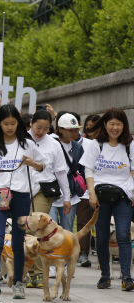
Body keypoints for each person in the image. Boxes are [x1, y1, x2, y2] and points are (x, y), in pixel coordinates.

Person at [0, 104, 46, 300]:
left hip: (21, 195)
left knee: (18, 241)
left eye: (13, 123)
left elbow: (42, 166)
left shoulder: (27, 143)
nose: (9, 127)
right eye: (6, 123)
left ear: (18, 123)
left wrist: (31, 163)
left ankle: (18, 282)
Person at [79, 108, 134, 291]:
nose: (115, 128)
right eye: (111, 124)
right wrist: (92, 193)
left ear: (124, 126)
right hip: (100, 197)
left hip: (123, 196)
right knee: (101, 238)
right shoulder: (96, 145)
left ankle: (127, 277)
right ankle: (105, 277)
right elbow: (88, 170)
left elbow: (133, 170)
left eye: (119, 124)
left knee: (124, 236)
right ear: (105, 125)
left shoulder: (129, 145)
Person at [24, 110, 70, 288]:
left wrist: (66, 196)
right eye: (38, 127)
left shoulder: (53, 143)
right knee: (25, 231)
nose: (41, 131)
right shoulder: (21, 140)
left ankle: (37, 272)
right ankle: (30, 271)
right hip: (22, 189)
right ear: (31, 124)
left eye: (45, 128)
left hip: (43, 189)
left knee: (36, 228)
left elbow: (60, 171)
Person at [48, 112, 84, 232]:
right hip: (50, 193)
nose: (74, 133)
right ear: (60, 129)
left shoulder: (78, 147)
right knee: (50, 230)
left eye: (76, 130)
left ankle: (66, 251)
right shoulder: (51, 143)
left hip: (70, 195)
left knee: (67, 231)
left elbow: (81, 169)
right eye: (70, 130)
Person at [76, 114, 100, 267]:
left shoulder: (107, 143)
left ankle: (102, 255)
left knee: (103, 223)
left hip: (104, 189)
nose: (90, 128)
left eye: (94, 125)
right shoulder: (82, 143)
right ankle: (83, 253)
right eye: (88, 125)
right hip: (85, 189)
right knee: (84, 222)